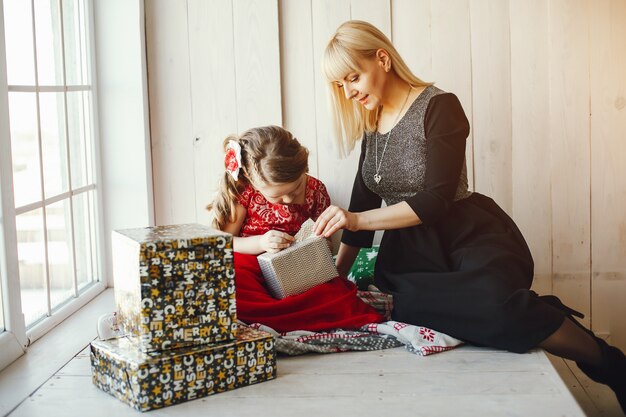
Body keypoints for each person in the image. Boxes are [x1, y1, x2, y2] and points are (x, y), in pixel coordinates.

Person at [313, 20, 625, 411]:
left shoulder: (440, 106)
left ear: (382, 58)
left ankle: (609, 365)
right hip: (409, 256)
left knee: (497, 307)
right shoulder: (372, 128)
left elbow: (435, 200)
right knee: (407, 307)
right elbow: (360, 207)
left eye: (352, 77)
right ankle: (542, 311)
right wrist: (337, 277)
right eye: (340, 85)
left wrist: (355, 221)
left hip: (467, 236)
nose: (349, 91)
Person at [207, 125, 383, 333]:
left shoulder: (316, 190)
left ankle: (288, 317)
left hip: (295, 269)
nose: (289, 199)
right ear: (252, 183)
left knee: (335, 293)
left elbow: (326, 243)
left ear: (304, 169)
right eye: (277, 197)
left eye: (296, 188)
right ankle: (279, 316)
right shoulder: (243, 192)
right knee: (231, 281)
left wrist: (315, 243)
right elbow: (223, 242)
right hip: (252, 265)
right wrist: (261, 242)